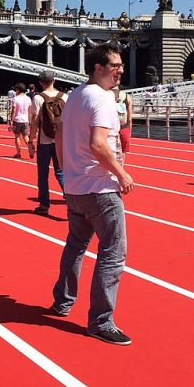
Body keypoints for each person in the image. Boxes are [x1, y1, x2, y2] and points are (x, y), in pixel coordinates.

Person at [51, 43, 134, 346]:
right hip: (100, 188)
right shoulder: (102, 99)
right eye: (115, 66)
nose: (120, 71)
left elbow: (59, 135)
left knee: (75, 245)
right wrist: (122, 173)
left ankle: (62, 301)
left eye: (121, 66)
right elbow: (99, 144)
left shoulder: (74, 95)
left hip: (75, 187)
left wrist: (66, 171)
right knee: (113, 253)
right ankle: (101, 321)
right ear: (98, 67)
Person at [29, 71, 66, 215]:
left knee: (43, 174)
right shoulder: (65, 97)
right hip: (61, 140)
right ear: (54, 80)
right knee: (61, 172)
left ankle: (44, 205)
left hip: (44, 141)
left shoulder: (38, 98)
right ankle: (71, 198)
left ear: (40, 82)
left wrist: (30, 140)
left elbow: (35, 121)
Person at [11, 82, 35, 159]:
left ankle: (18, 153)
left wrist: (11, 120)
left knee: (17, 136)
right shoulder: (28, 99)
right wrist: (30, 120)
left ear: (18, 90)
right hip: (25, 120)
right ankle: (31, 149)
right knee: (26, 136)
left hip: (17, 119)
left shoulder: (15, 99)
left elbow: (13, 110)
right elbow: (29, 111)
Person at [110, 85, 132, 160]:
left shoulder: (105, 95)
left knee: (110, 148)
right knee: (123, 150)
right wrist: (129, 131)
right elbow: (129, 118)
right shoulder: (127, 96)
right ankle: (121, 168)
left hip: (111, 127)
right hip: (123, 126)